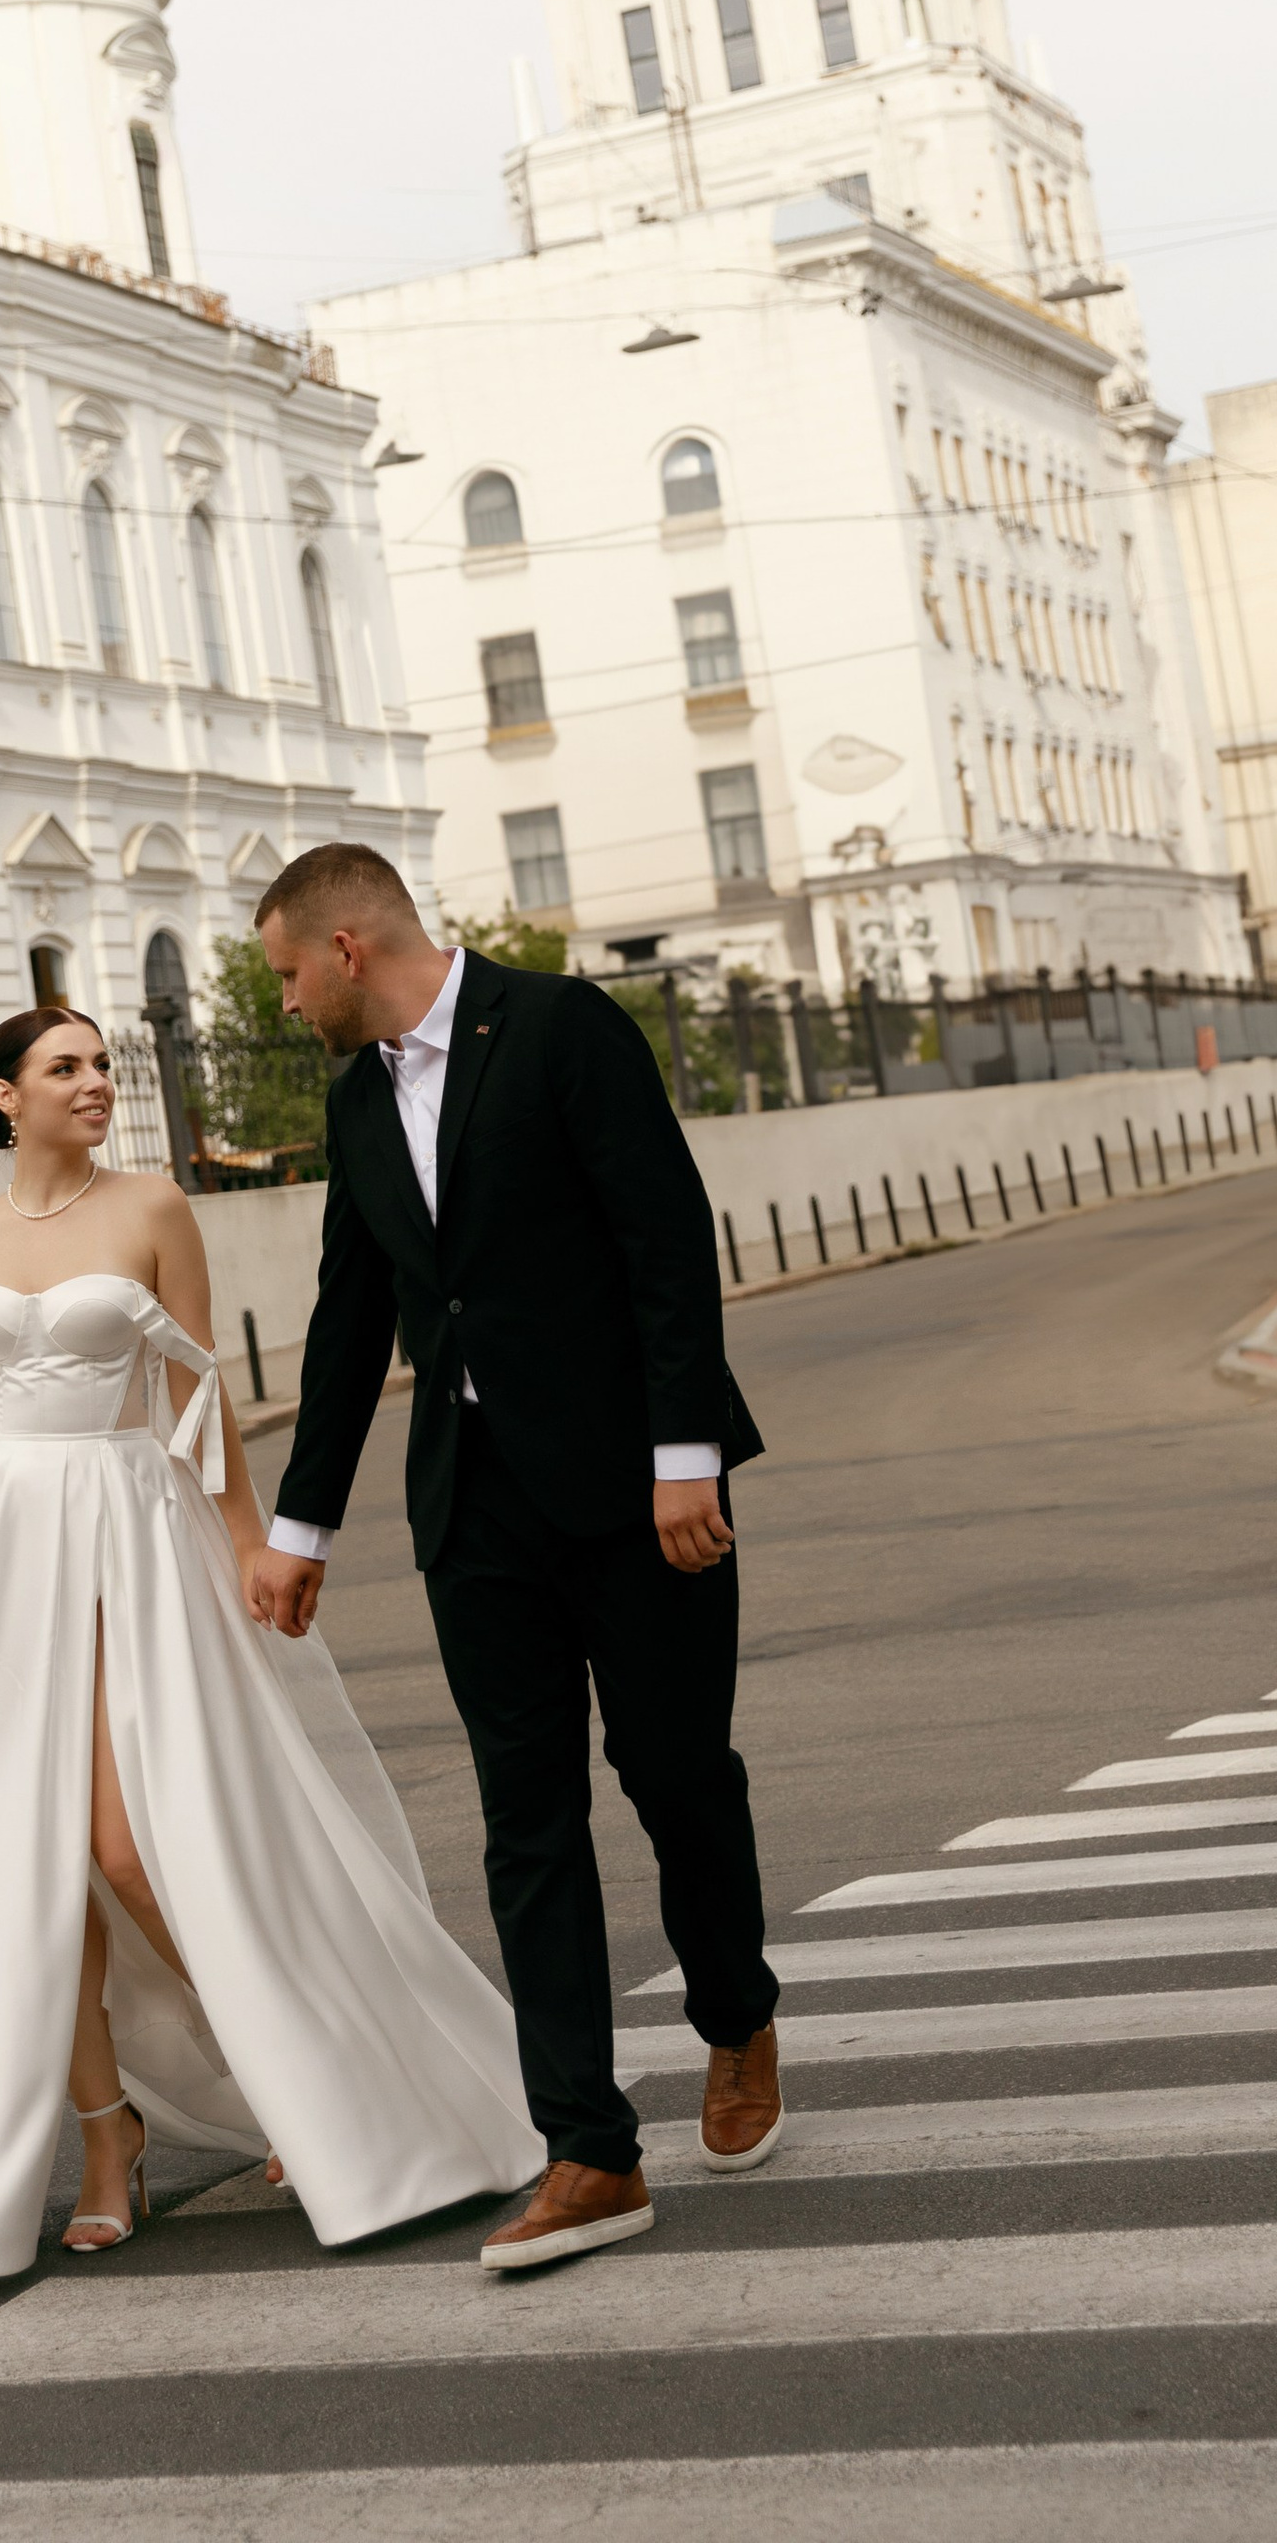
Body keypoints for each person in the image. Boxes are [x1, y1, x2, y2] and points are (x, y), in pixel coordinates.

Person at [0, 1001, 541, 2278]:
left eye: (102, 1064)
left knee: (126, 1848)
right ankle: (107, 2136)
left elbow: (200, 1399)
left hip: (134, 1541)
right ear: (2, 1098)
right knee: (37, 1863)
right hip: (10, 1553)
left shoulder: (151, 1209)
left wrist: (257, 1542)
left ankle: (300, 2084)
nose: (96, 1084)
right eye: (65, 1068)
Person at [245, 844, 781, 2272]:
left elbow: (664, 1241)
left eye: (290, 973)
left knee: (676, 1779)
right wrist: (302, 1528)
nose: (287, 1002)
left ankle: (737, 2014)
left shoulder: (557, 1028)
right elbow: (352, 1322)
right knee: (525, 1824)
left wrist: (683, 1458)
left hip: (635, 1489)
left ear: (349, 949)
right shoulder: (357, 1105)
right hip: (475, 1512)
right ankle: (590, 2151)